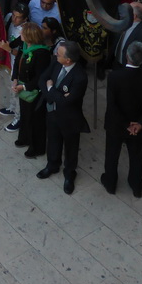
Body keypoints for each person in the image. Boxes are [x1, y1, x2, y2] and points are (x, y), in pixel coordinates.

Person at [101, 41, 142, 198]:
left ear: (127, 56)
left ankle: (110, 183)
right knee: (136, 157)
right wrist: (140, 124)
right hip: (137, 124)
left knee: (112, 155)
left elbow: (112, 105)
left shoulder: (115, 76)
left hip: (116, 125)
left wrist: (126, 125)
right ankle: (136, 185)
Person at [37, 40, 90, 194]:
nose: (55, 55)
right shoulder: (56, 62)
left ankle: (69, 174)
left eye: (59, 54)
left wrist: (50, 88)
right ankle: (52, 165)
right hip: (52, 112)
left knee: (71, 147)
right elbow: (43, 78)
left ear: (68, 60)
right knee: (53, 140)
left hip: (69, 119)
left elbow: (68, 102)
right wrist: (54, 94)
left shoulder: (80, 77)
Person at [12, 21, 51, 159]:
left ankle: (37, 147)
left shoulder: (42, 53)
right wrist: (15, 79)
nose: (20, 35)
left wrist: (23, 86)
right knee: (25, 115)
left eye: (22, 33)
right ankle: (25, 138)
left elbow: (40, 77)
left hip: (35, 91)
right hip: (23, 87)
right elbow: (17, 62)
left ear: (29, 36)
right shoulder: (24, 45)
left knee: (36, 120)